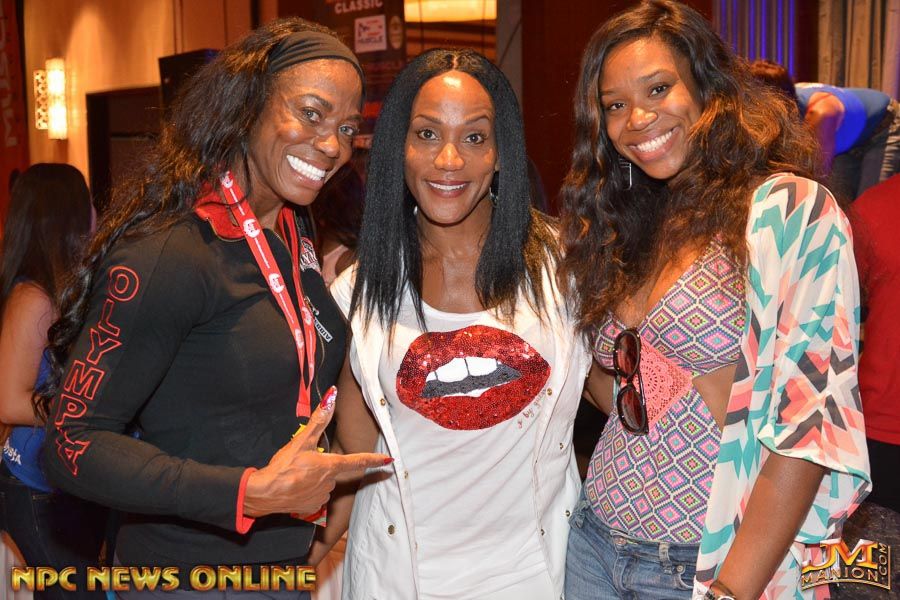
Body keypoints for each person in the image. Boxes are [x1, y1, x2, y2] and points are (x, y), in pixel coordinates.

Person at [36, 18, 389, 598]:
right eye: (310, 113)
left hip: (277, 571)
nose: (332, 145)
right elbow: (71, 444)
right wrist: (246, 494)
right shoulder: (170, 252)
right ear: (247, 107)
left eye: (347, 127)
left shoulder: (295, 230)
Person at [559, 2, 870, 599]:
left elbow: (809, 427)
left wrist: (732, 589)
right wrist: (678, 379)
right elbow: (610, 384)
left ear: (707, 87)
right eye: (614, 105)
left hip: (704, 565)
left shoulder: (789, 213)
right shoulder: (628, 221)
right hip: (594, 543)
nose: (637, 118)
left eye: (658, 88)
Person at [318, 48, 590, 599]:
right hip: (396, 582)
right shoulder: (358, 295)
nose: (448, 159)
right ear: (398, 148)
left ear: (501, 153)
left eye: (474, 137)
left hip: (535, 579)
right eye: (426, 134)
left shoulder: (568, 273)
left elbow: (629, 401)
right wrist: (269, 574)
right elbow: (354, 457)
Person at [0, 163, 105, 599]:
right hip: (33, 487)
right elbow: (9, 401)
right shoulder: (33, 299)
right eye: (88, 201)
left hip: (55, 483)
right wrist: (84, 411)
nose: (96, 211)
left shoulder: (56, 290)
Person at [750, 59, 900, 201]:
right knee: (845, 203)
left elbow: (818, 176)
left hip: (884, 126)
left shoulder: (821, 114)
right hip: (849, 139)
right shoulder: (784, 96)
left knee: (871, 205)